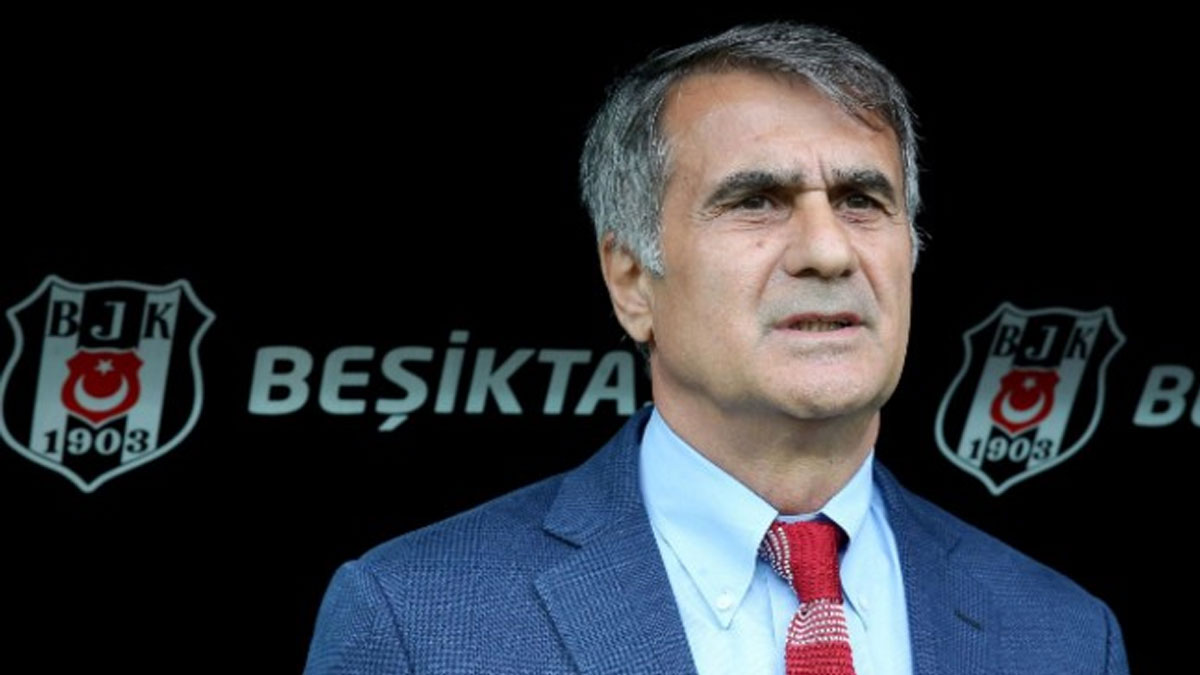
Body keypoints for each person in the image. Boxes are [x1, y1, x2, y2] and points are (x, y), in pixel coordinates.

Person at [304, 23, 1129, 674]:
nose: (828, 250)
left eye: (861, 199)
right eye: (757, 201)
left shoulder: (1064, 636)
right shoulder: (414, 619)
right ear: (631, 279)